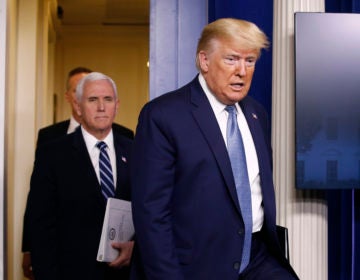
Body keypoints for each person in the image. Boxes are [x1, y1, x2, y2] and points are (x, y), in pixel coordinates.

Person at [130, 18, 299, 280]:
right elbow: (151, 214)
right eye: (231, 59)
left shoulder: (257, 114)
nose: (242, 71)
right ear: (205, 61)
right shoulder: (163, 116)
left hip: (258, 260)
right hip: (196, 266)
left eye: (250, 60)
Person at [21, 67, 134, 279]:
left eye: (108, 99)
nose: (101, 107)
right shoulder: (52, 153)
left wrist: (135, 247)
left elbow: (148, 211)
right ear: (78, 107)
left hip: (124, 272)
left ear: (116, 106)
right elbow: (41, 225)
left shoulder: (136, 150)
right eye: (92, 100)